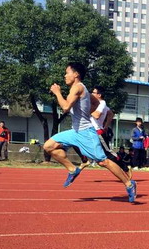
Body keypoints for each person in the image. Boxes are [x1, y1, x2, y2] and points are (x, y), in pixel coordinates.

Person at [43, 62, 136, 202]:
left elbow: (66, 107)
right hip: (74, 131)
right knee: (48, 146)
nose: (65, 75)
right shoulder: (82, 88)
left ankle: (129, 184)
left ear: (76, 74)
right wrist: (86, 110)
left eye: (67, 72)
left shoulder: (78, 88)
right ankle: (72, 169)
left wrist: (57, 93)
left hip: (86, 132)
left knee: (103, 162)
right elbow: (96, 103)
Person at [78, 86, 132, 178]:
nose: (91, 94)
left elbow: (97, 115)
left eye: (94, 92)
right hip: (89, 131)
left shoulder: (102, 103)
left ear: (99, 95)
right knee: (76, 141)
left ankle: (125, 168)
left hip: (98, 132)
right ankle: (85, 160)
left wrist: (87, 110)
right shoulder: (95, 103)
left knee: (108, 153)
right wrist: (106, 126)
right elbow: (110, 113)